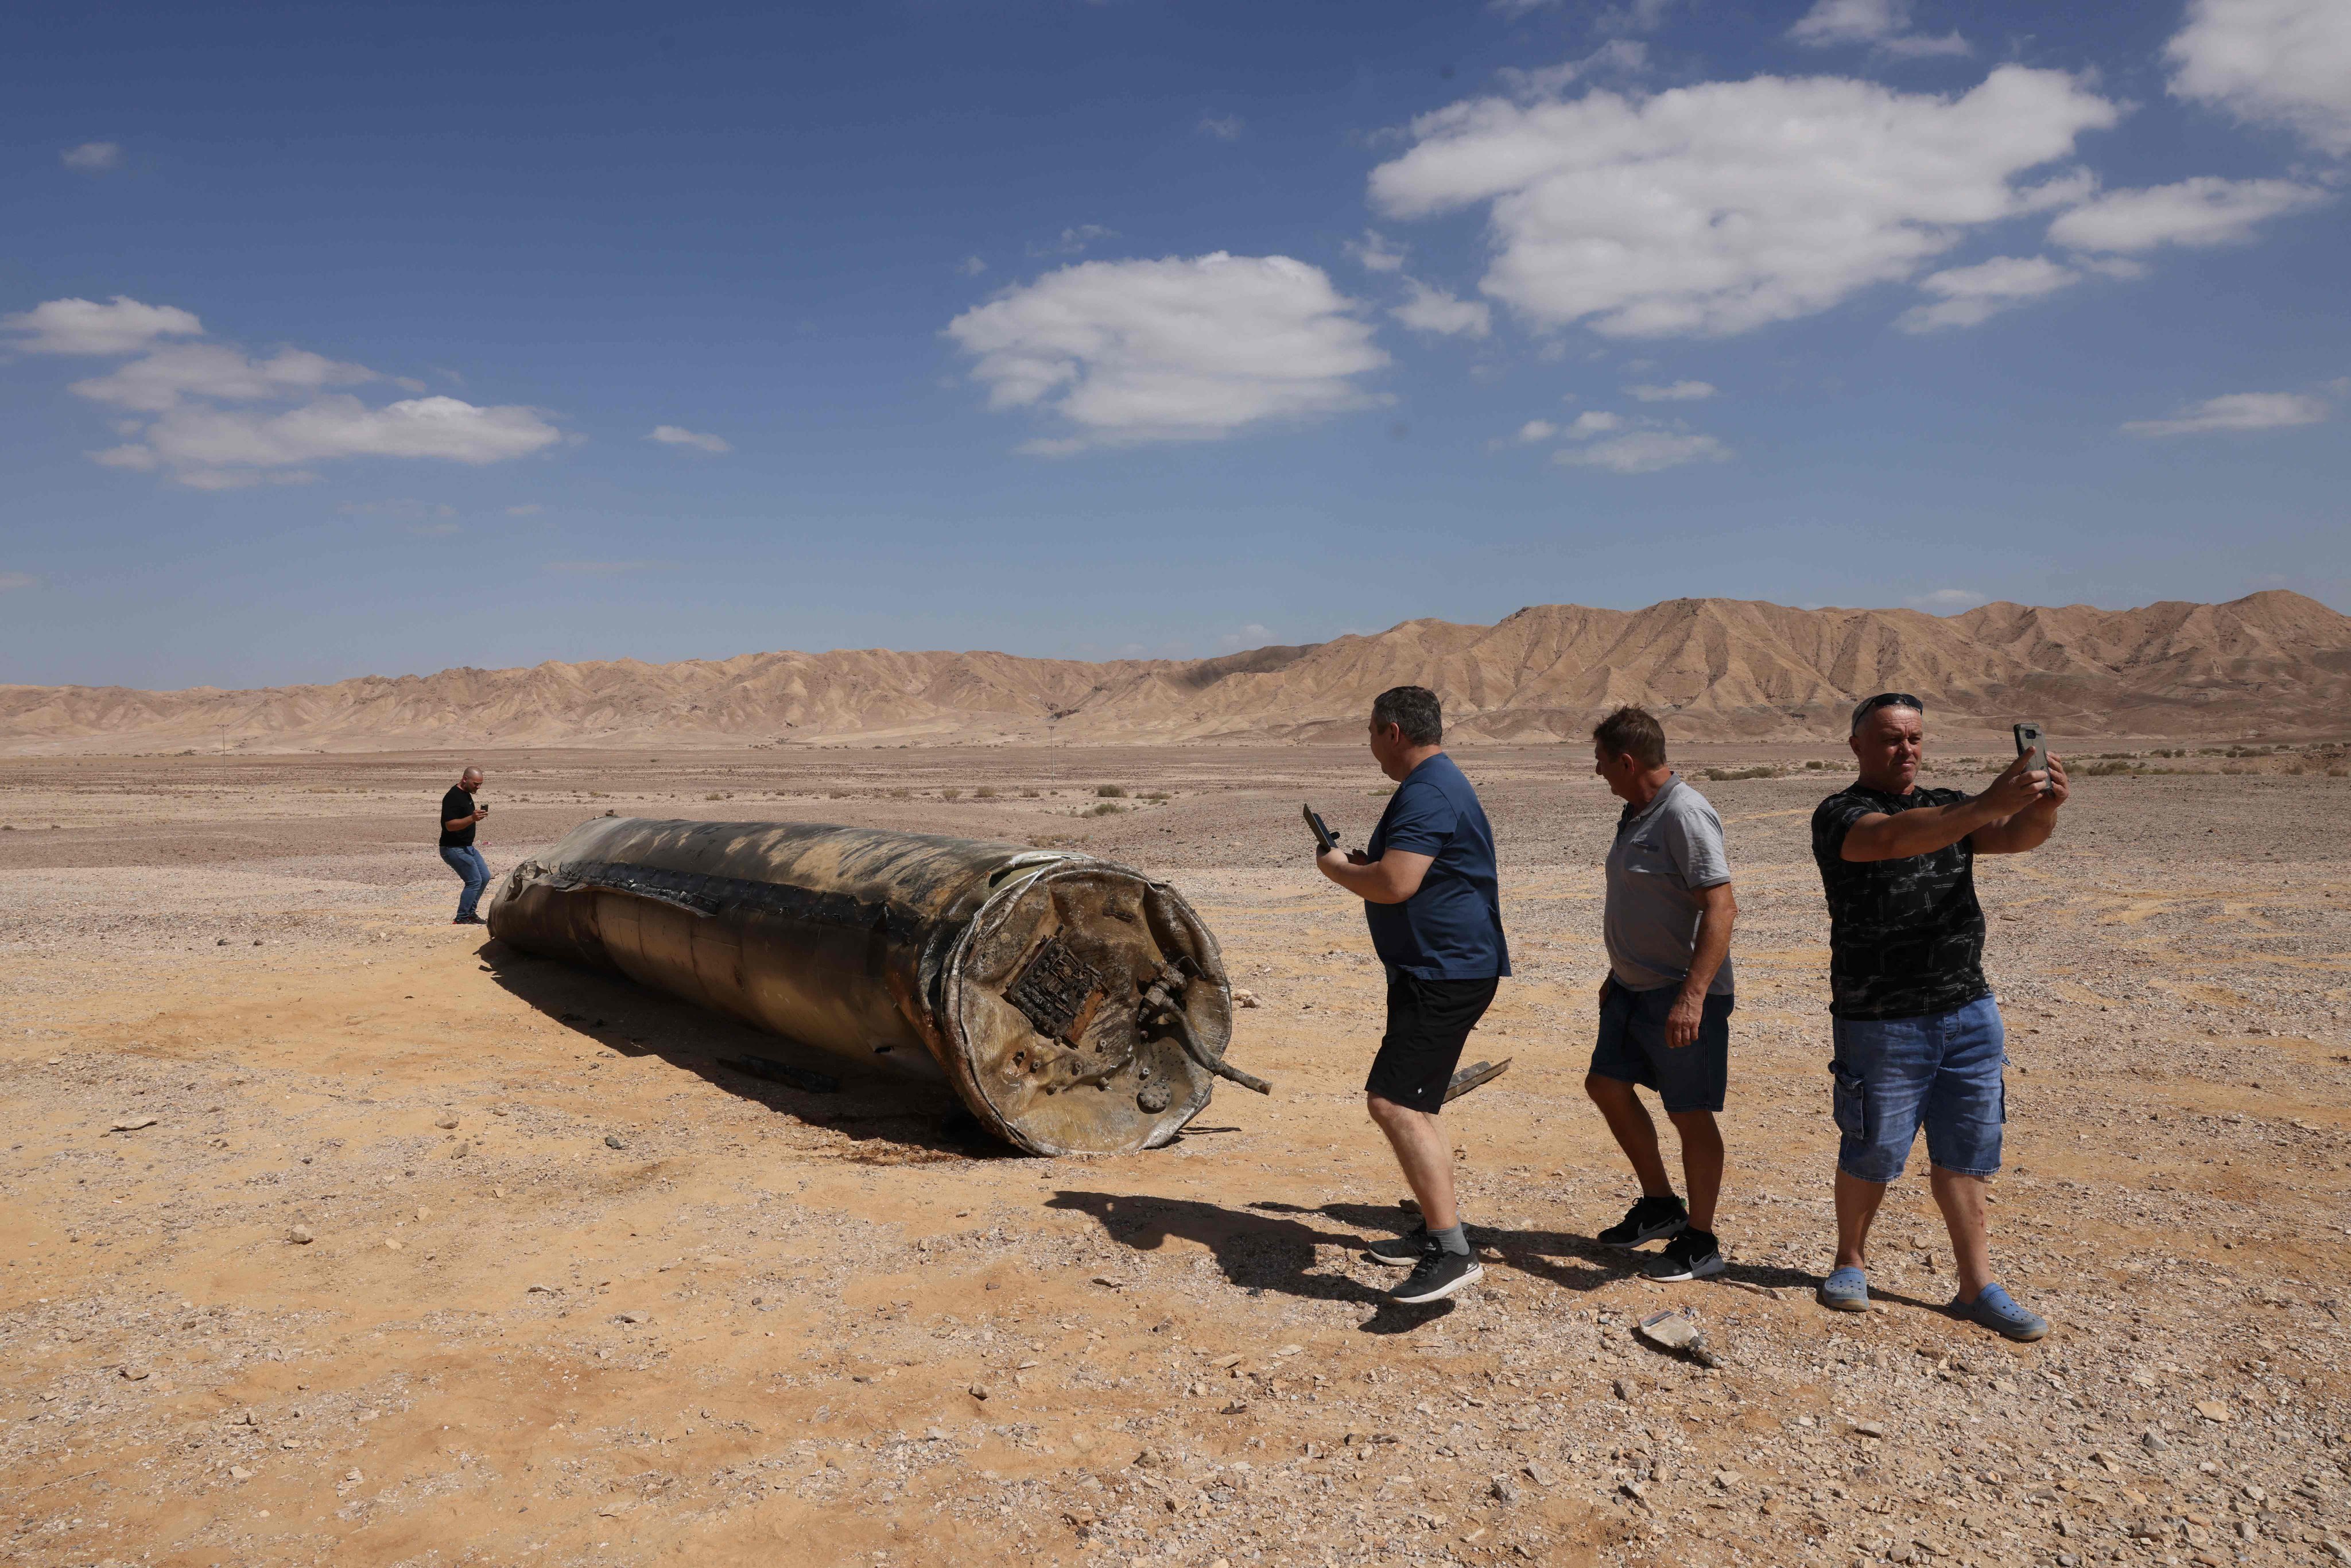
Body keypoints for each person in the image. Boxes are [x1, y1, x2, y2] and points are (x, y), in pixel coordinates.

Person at [1811, 693, 2068, 1342]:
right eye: (1891, 738)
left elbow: (2013, 838)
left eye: (1915, 737)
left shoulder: (1951, 803)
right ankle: (1850, 1260)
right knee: (1872, 1144)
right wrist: (1984, 803)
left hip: (1967, 1007)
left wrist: (2044, 808)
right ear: (1857, 746)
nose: (1906, 749)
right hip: (1881, 1016)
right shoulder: (1840, 813)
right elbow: (1894, 838)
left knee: (1966, 1149)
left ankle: (1977, 1285)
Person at [1316, 685, 1510, 1305]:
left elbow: (1397, 883)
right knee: (1416, 1102)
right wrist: (1368, 862)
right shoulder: (1434, 784)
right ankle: (1436, 1227)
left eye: (1371, 730)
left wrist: (1337, 869)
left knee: (1393, 1102)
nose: (1369, 742)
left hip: (1443, 972)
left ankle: (1451, 1250)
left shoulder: (1427, 791)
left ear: (1392, 731)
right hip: (1436, 967)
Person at [1583, 706, 1738, 1282]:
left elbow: (1720, 907)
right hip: (1630, 986)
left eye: (1601, 761)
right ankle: (1659, 1205)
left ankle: (1700, 1240)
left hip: (1678, 993)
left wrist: (1693, 996)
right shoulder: (1636, 811)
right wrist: (1616, 969)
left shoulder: (1685, 811)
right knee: (1605, 1084)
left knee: (1688, 1113)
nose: (1597, 772)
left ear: (1626, 761)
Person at [440, 767, 492, 926]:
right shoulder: (452, 797)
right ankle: (461, 918)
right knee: (474, 881)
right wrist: (472, 818)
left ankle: (470, 914)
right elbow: (450, 826)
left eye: (480, 784)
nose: (478, 787)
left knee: (484, 877)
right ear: (465, 779)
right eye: (476, 784)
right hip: (453, 848)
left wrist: (474, 817)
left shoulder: (466, 794)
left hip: (467, 847)